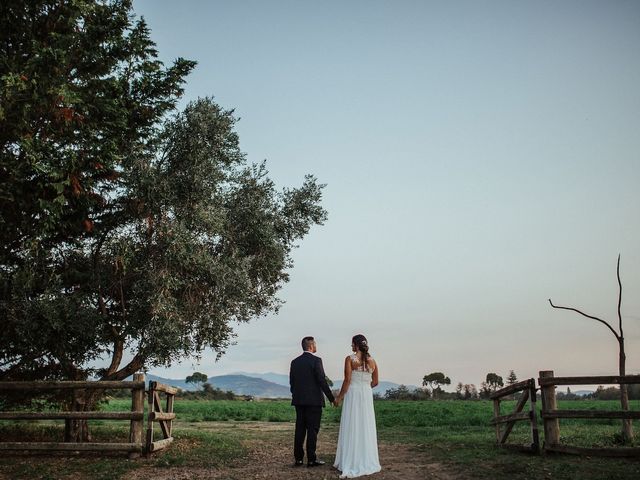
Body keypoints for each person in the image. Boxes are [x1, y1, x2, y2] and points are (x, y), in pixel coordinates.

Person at [334, 334, 382, 478]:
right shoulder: (373, 361)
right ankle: (366, 458)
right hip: (366, 394)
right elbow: (376, 382)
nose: (351, 346)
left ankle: (351, 459)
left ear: (356, 345)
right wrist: (365, 387)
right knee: (365, 425)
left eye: (352, 344)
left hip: (353, 393)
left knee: (352, 423)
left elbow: (347, 380)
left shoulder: (350, 359)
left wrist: (339, 397)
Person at [289, 336, 336, 467]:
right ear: (310, 346)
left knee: (299, 429)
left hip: (299, 401)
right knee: (312, 430)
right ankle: (311, 459)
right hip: (314, 402)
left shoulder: (295, 362)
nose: (316, 346)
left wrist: (297, 395)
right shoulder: (316, 360)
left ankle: (298, 459)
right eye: (315, 344)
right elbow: (321, 380)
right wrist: (331, 397)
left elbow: (292, 382)